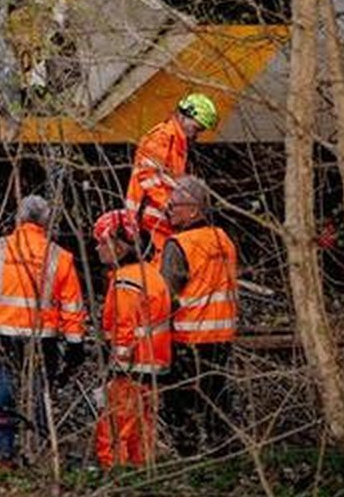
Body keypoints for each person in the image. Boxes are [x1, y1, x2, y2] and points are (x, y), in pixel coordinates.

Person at [0, 196, 87, 425]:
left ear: (19, 218)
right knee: (40, 400)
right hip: (42, 341)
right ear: (46, 222)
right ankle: (41, 443)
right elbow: (72, 307)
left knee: (0, 402)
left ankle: (4, 454)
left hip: (0, 337)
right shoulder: (60, 256)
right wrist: (75, 345)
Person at [158, 176, 238, 456]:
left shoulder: (178, 245)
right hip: (222, 335)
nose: (168, 209)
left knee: (178, 399)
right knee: (217, 395)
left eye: (174, 205)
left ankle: (187, 454)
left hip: (189, 336)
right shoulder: (224, 240)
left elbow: (164, 295)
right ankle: (222, 449)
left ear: (193, 210)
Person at [91, 209, 169, 470]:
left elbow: (124, 328)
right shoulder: (149, 273)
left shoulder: (127, 281)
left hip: (131, 366)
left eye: (102, 242)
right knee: (141, 426)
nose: (97, 248)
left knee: (115, 423)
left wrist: (117, 365)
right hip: (152, 363)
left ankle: (112, 472)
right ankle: (141, 473)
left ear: (120, 245)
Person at [126, 93, 218, 251]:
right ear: (183, 117)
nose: (196, 134)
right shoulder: (162, 138)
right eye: (196, 128)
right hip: (152, 217)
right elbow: (148, 176)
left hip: (159, 217)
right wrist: (169, 206)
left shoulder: (176, 141)